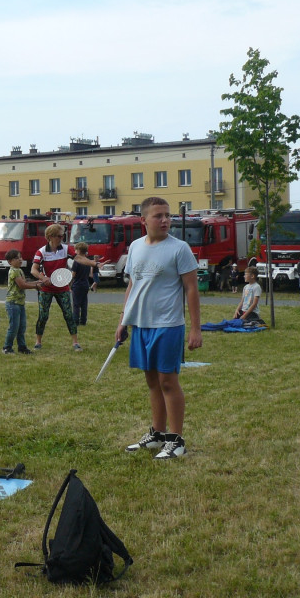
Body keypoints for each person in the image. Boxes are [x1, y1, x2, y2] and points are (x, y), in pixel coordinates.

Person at [118, 197, 201, 460]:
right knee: (152, 381)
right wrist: (123, 320)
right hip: (142, 324)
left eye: (168, 215)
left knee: (167, 381)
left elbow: (191, 289)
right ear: (143, 220)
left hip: (168, 325)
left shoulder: (180, 248)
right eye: (158, 216)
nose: (165, 220)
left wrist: (195, 329)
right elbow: (133, 285)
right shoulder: (135, 247)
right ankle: (157, 435)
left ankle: (176, 440)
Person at [30, 223, 97, 351]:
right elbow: (34, 270)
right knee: (43, 316)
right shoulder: (41, 252)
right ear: (51, 236)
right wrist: (43, 278)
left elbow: (78, 258)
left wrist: (94, 263)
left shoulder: (66, 249)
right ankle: (38, 341)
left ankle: (75, 342)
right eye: (60, 236)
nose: (62, 238)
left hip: (62, 288)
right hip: (46, 289)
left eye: (63, 235)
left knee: (68, 315)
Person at [2, 249, 42, 354]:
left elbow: (25, 282)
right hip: (13, 303)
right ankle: (7, 347)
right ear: (10, 261)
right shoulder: (13, 271)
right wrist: (36, 286)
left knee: (21, 327)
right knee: (14, 327)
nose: (20, 260)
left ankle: (22, 347)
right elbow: (22, 285)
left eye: (20, 257)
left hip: (20, 303)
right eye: (16, 258)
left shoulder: (19, 270)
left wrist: (38, 282)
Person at [70, 241, 94, 326]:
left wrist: (69, 283)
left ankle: (75, 320)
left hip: (77, 284)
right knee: (84, 303)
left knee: (76, 304)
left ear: (79, 250)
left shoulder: (77, 262)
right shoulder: (87, 261)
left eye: (75, 250)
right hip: (85, 284)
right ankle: (83, 320)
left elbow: (73, 274)